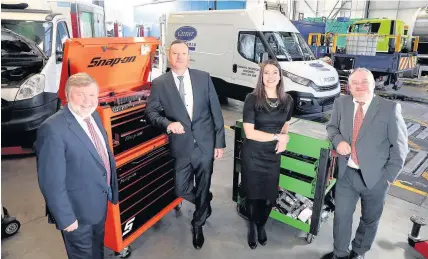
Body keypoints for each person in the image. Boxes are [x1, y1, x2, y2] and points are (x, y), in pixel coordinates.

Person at [145, 39, 226, 249]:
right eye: (175, 53)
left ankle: (198, 223)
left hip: (205, 145)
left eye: (183, 53)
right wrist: (168, 123)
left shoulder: (203, 78)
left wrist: (219, 143)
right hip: (181, 146)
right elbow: (151, 112)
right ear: (169, 56)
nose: (180, 57)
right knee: (181, 189)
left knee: (204, 182)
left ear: (189, 57)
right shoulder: (160, 83)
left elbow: (216, 112)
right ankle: (203, 200)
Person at [322, 68, 408, 259]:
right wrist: (338, 141)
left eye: (364, 82)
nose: (359, 86)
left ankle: (359, 252)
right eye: (355, 82)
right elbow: (331, 127)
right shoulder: (341, 103)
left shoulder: (389, 109)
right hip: (347, 175)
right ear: (349, 86)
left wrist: (387, 179)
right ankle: (340, 254)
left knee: (369, 220)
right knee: (341, 217)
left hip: (377, 178)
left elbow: (400, 149)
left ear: (373, 84)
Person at [36, 72, 119, 259]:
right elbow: (51, 182)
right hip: (76, 213)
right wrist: (66, 218)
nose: (87, 101)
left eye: (91, 95)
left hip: (98, 204)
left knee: (97, 249)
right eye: (79, 94)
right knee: (82, 255)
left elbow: (102, 154)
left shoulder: (94, 116)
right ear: (67, 95)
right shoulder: (53, 129)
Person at [241, 59, 294, 249]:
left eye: (274, 73)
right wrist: (277, 137)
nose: (270, 77)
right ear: (261, 77)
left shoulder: (288, 100)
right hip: (253, 154)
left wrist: (284, 137)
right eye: (266, 73)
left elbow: (286, 124)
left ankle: (261, 224)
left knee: (269, 197)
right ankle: (253, 228)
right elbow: (250, 132)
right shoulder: (252, 99)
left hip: (272, 156)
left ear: (280, 76)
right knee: (254, 196)